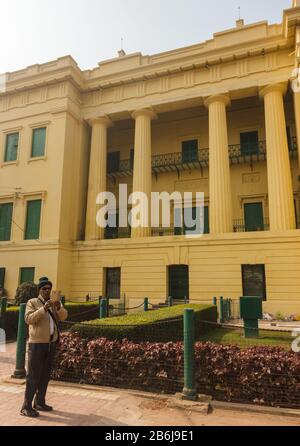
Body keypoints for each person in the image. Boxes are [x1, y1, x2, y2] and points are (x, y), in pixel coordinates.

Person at [20, 277, 68, 418]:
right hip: (37, 344)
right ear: (39, 290)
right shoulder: (32, 302)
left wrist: (58, 307)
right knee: (33, 376)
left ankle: (40, 402)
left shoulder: (53, 303)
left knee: (45, 376)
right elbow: (28, 319)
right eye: (44, 288)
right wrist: (43, 309)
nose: (47, 291)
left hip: (50, 344)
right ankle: (26, 406)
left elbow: (64, 316)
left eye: (49, 288)